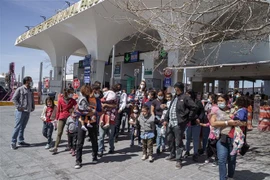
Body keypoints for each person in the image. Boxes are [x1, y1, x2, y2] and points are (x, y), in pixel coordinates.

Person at [210, 94, 246, 180]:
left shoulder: (234, 110)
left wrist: (238, 123)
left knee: (232, 159)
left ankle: (230, 176)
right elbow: (213, 123)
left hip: (234, 138)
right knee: (221, 160)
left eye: (221, 101)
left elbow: (244, 123)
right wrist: (227, 123)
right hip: (222, 138)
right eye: (218, 101)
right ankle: (222, 178)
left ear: (227, 101)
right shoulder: (216, 112)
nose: (219, 102)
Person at [164, 82, 198, 169]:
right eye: (175, 88)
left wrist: (188, 118)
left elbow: (194, 107)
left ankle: (179, 159)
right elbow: (170, 109)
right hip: (171, 122)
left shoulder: (185, 97)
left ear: (181, 88)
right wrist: (166, 119)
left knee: (178, 142)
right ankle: (172, 154)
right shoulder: (175, 97)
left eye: (177, 88)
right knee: (169, 139)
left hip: (179, 123)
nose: (175, 90)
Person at [75, 85, 99, 169]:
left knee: (94, 139)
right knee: (80, 142)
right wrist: (82, 113)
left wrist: (84, 113)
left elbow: (93, 111)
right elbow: (77, 109)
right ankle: (78, 160)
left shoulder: (92, 99)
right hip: (82, 122)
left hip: (91, 121)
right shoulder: (81, 98)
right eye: (87, 91)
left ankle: (94, 155)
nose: (88, 92)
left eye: (89, 91)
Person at [49, 88, 77, 154]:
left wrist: (74, 112)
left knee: (70, 132)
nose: (72, 94)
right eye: (71, 93)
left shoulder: (72, 100)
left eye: (72, 93)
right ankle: (55, 147)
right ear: (67, 93)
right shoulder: (60, 100)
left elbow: (76, 106)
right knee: (59, 132)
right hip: (62, 116)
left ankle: (69, 145)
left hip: (70, 117)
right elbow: (58, 110)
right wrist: (56, 119)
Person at [11, 76, 35, 150]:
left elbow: (32, 99)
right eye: (30, 80)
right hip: (20, 111)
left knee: (23, 127)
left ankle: (21, 140)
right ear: (26, 81)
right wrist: (19, 107)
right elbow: (14, 99)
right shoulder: (20, 89)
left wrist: (32, 106)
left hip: (27, 111)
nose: (31, 82)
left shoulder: (30, 90)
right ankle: (13, 142)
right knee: (17, 126)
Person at [184, 89, 205, 162]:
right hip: (187, 123)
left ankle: (195, 153)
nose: (187, 96)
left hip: (196, 123)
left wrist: (199, 118)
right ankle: (187, 151)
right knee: (187, 139)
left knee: (195, 139)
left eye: (188, 94)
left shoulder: (198, 102)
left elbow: (202, 112)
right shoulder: (185, 102)